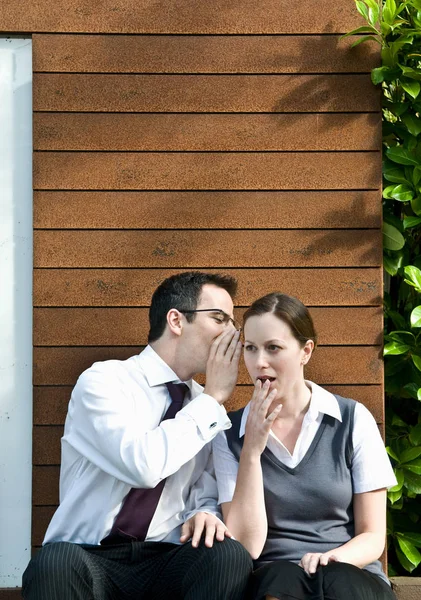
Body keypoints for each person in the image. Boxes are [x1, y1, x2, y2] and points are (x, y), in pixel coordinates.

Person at [23, 271, 252, 600]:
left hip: (166, 557)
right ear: (176, 320)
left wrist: (206, 512)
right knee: (54, 562)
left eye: (233, 323)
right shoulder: (105, 381)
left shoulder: (206, 407)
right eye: (219, 318)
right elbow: (141, 466)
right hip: (89, 557)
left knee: (228, 555)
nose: (232, 334)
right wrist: (212, 400)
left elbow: (205, 488)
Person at [213, 292, 397, 600]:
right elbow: (247, 545)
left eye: (273, 348)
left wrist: (333, 558)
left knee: (340, 582)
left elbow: (373, 535)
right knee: (281, 579)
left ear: (305, 351)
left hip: (349, 569)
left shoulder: (352, 419)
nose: (259, 362)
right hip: (273, 578)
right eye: (251, 348)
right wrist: (252, 451)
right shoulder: (229, 433)